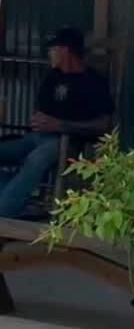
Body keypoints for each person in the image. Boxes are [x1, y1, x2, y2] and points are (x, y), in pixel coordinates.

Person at [0, 27, 113, 219]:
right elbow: (43, 111)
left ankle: (3, 215)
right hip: (37, 137)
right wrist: (39, 120)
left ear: (65, 50)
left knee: (36, 159)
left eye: (52, 49)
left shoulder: (93, 82)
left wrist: (60, 125)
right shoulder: (53, 77)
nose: (48, 53)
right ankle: (13, 204)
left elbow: (104, 124)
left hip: (68, 142)